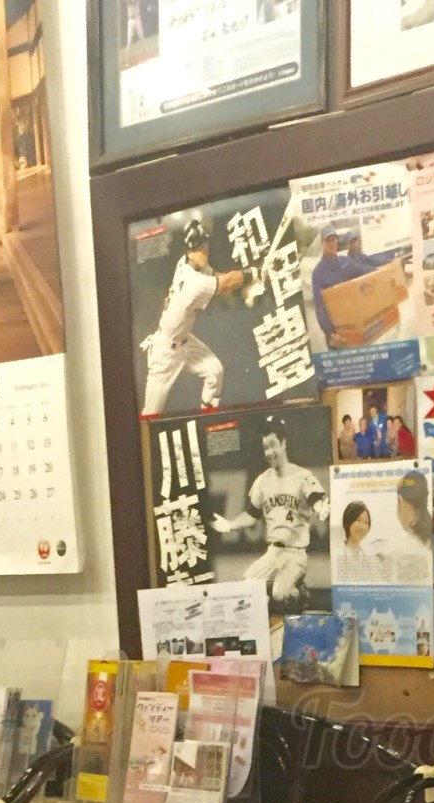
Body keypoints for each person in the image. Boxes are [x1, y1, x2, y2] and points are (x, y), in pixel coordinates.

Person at [210, 415, 327, 608]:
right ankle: (286, 591)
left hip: (295, 552)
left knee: (280, 594)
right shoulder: (263, 481)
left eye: (273, 445)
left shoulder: (302, 476)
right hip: (273, 552)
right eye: (266, 447)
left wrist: (320, 507)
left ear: (283, 443)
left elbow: (315, 498)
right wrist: (229, 525)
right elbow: (251, 515)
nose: (269, 452)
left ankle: (299, 590)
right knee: (246, 589)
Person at [140, 217, 247, 415]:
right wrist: (253, 275)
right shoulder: (193, 283)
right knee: (150, 415)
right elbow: (225, 283)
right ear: (189, 252)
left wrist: (244, 290)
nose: (204, 250)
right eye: (198, 248)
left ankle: (207, 419)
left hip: (184, 342)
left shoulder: (186, 264)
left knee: (215, 372)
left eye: (205, 244)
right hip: (164, 353)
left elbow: (219, 278)